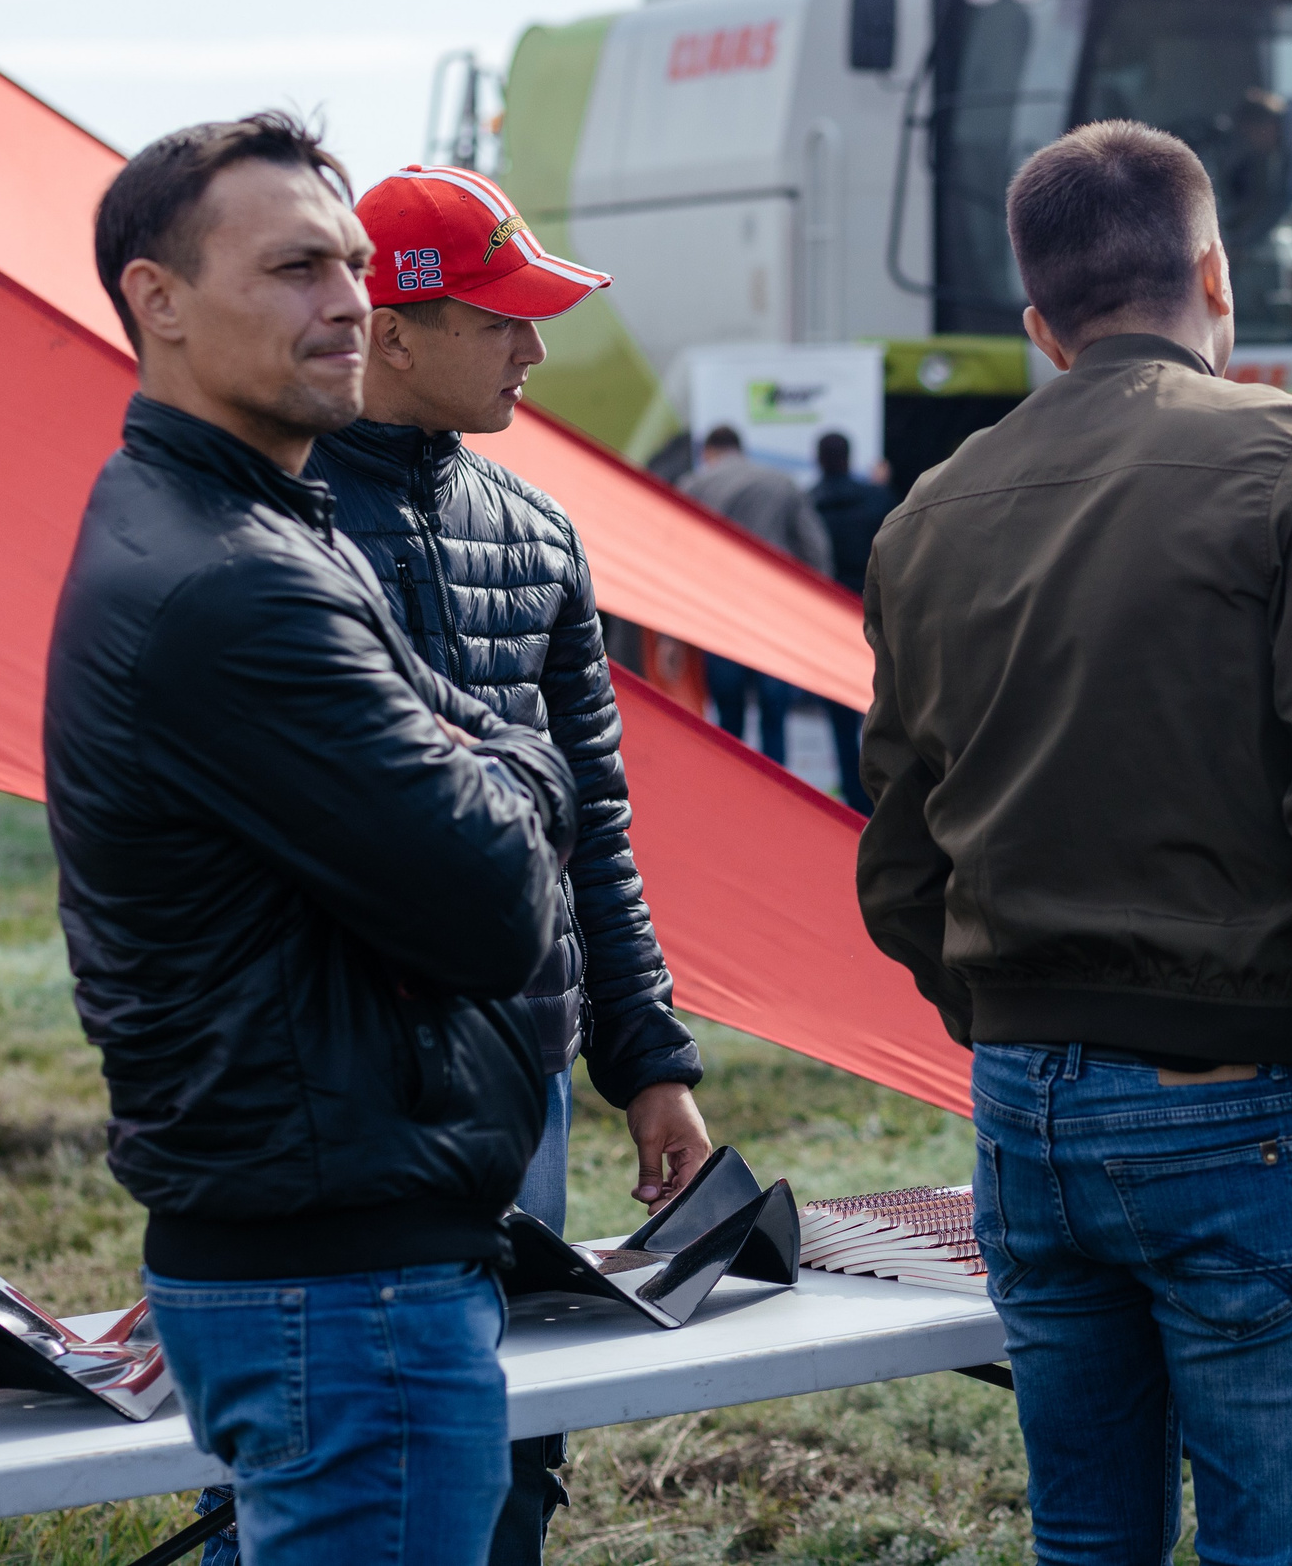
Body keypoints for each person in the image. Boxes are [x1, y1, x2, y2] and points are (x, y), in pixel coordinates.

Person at [855, 119, 1292, 1564]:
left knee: (1088, 1539)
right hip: (1228, 1096)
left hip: (1021, 1109)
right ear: (1215, 274)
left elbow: (896, 863)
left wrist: (1016, 1015)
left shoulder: (930, 513)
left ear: (1037, 322)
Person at [47, 112, 578, 1566]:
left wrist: (481, 755)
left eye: (352, 264)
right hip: (339, 1274)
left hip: (330, 1249)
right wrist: (519, 755)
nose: (346, 300)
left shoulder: (256, 524)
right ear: (156, 300)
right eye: (293, 267)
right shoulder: (234, 582)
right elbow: (490, 904)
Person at [284, 162, 711, 1565]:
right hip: (325, 1086)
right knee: (332, 1446)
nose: (537, 344)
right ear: (392, 329)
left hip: (515, 1081)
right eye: (501, 316)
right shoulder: (273, 524)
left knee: (513, 1435)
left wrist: (648, 1059)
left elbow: (597, 819)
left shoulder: (537, 529)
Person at [678, 426, 832, 760]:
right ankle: (779, 792)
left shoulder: (695, 485)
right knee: (774, 715)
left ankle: (730, 793)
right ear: (739, 448)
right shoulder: (780, 482)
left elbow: (678, 553)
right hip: (771, 614)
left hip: (720, 613)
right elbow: (815, 549)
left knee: (728, 716)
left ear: (709, 453)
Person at [806, 429, 891, 812]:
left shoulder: (808, 503)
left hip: (826, 615)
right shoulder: (877, 499)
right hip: (874, 609)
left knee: (839, 713)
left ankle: (851, 796)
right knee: (882, 701)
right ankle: (883, 792)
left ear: (819, 459)